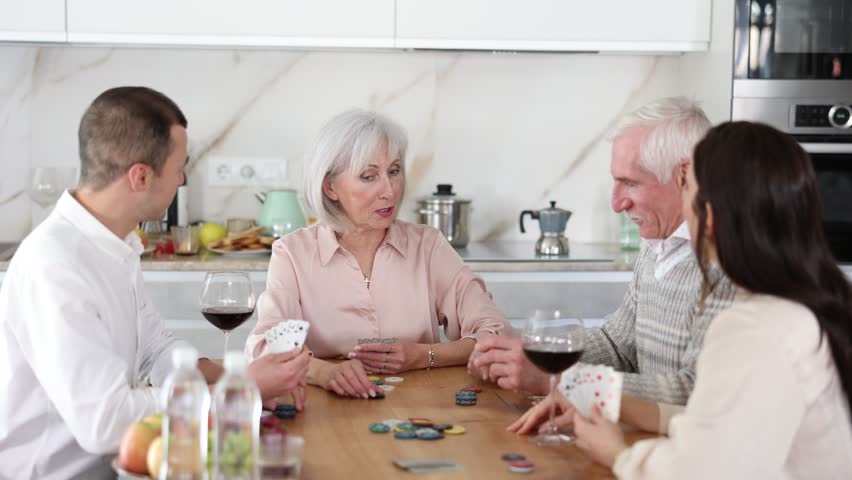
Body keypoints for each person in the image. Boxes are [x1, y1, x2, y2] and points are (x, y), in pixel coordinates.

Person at [0, 87, 309, 480]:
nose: (181, 179)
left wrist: (239, 374)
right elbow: (104, 424)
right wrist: (239, 392)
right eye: (179, 166)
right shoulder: (55, 267)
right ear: (140, 176)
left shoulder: (116, 243)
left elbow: (157, 350)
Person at [573, 121, 852, 478]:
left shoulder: (752, 329)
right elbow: (737, 420)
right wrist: (618, 404)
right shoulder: (804, 306)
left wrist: (618, 454)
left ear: (711, 219)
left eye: (686, 186)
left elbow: (698, 471)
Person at [474, 97, 737, 434]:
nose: (616, 203)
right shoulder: (658, 244)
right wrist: (533, 352)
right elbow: (618, 344)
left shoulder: (727, 262)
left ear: (683, 175)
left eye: (630, 182)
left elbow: (694, 391)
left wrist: (561, 380)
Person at [245, 108, 508, 399]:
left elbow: (497, 334)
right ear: (330, 187)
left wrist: (425, 355)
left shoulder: (428, 246)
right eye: (369, 176)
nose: (389, 191)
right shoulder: (292, 253)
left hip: (422, 410)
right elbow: (264, 346)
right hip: (325, 410)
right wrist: (322, 371)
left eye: (394, 171)